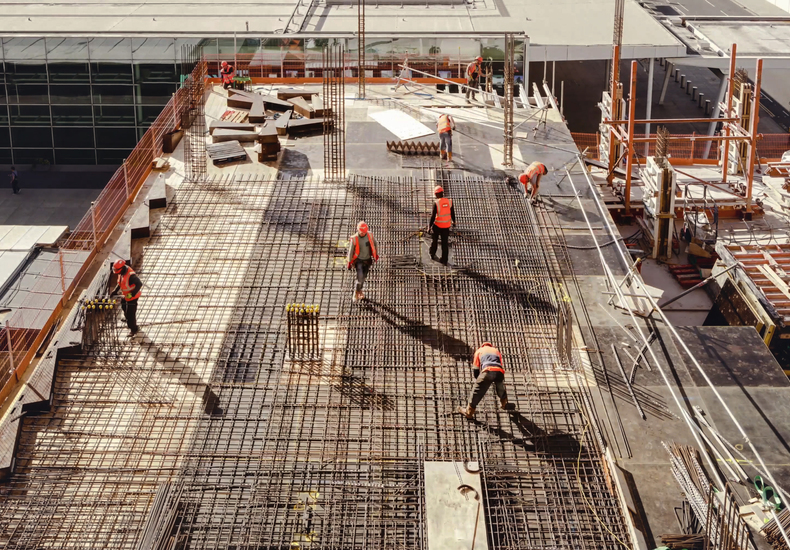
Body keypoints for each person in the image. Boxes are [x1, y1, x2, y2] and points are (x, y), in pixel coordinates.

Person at [458, 342, 514, 419]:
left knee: (476, 392)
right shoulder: (496, 350)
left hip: (488, 371)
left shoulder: (479, 350)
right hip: (499, 372)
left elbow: (476, 369)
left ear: (482, 346)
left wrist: (479, 380)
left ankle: (469, 413)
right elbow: (500, 363)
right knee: (501, 387)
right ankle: (504, 404)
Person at [346, 221, 379, 302]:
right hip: (359, 261)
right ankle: (356, 292)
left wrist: (376, 254)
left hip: (367, 260)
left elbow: (375, 243)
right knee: (360, 278)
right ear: (358, 230)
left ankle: (359, 290)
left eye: (364, 232)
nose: (363, 233)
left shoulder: (370, 235)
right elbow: (350, 251)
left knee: (363, 277)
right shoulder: (354, 238)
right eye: (361, 232)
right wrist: (349, 262)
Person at [112, 259, 143, 336]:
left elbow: (139, 284)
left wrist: (132, 294)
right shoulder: (122, 272)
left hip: (132, 297)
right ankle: (127, 319)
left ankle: (134, 329)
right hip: (125, 295)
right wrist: (115, 291)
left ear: (121, 268)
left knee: (131, 313)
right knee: (123, 306)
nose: (116, 271)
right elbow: (120, 283)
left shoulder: (131, 275)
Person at [429, 186, 456, 265]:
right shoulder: (449, 201)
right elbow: (452, 213)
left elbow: (433, 216)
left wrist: (429, 226)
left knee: (434, 241)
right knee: (445, 243)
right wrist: (454, 222)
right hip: (446, 226)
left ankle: (432, 253)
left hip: (437, 225)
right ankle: (444, 259)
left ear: (436, 194)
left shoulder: (436, 203)